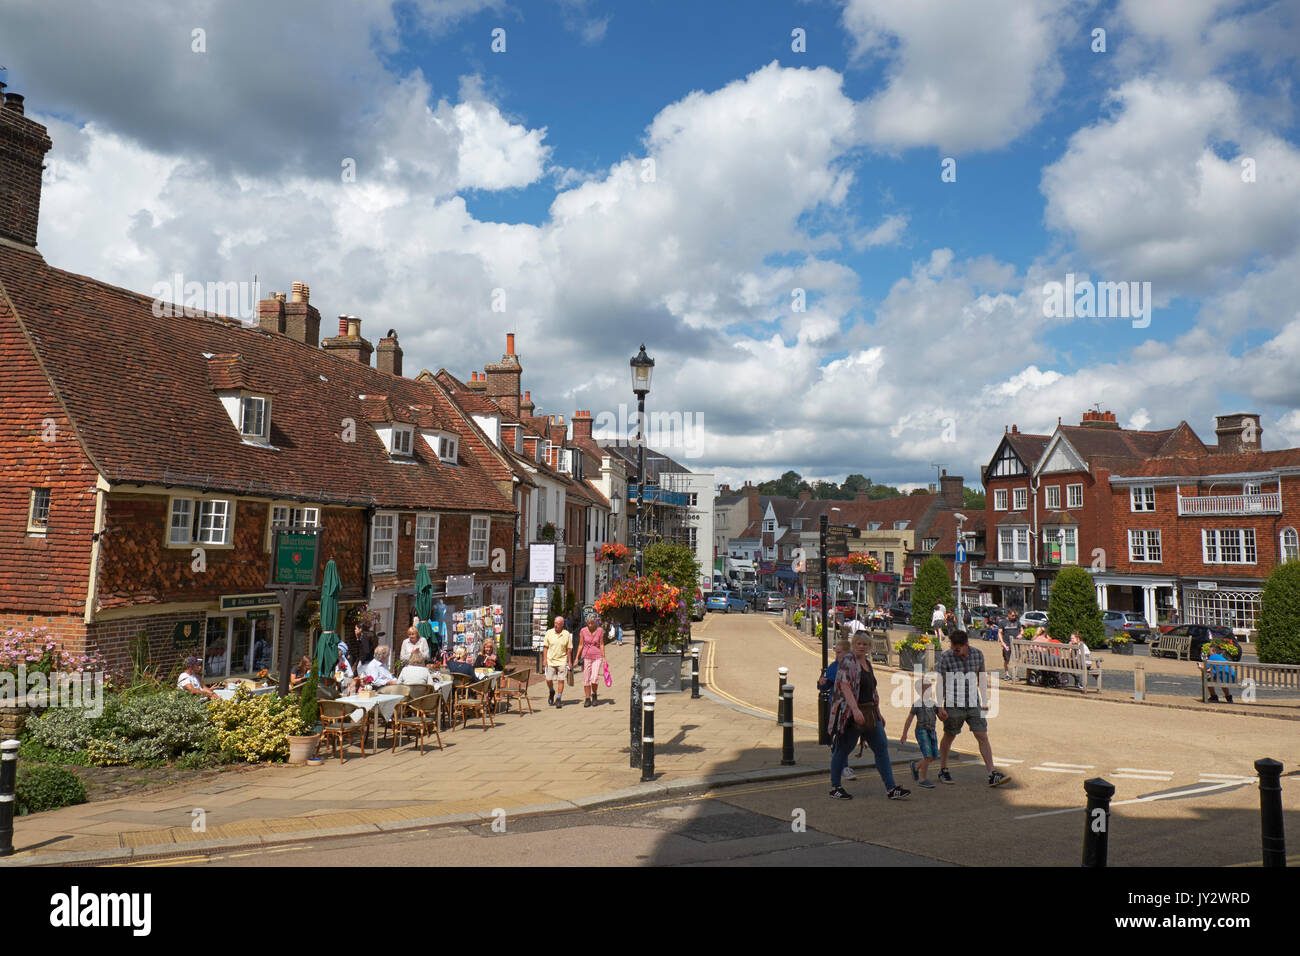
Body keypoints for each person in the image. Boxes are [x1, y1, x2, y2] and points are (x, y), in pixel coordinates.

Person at [827, 634, 910, 800]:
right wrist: (855, 710)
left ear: (869, 647)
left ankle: (891, 788)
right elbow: (845, 687)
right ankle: (835, 787)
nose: (861, 646)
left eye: (865, 644)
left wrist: (878, 713)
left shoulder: (868, 664)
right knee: (843, 750)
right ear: (853, 644)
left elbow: (872, 691)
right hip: (850, 715)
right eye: (858, 643)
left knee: (881, 747)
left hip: (869, 713)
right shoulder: (847, 661)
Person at [934, 630, 1009, 787]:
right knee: (949, 735)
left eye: (957, 649)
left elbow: (981, 677)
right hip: (954, 703)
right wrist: (940, 705)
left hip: (973, 702)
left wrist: (984, 699)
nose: (954, 651)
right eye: (953, 647)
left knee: (982, 735)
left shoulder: (978, 654)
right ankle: (943, 769)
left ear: (966, 644)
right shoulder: (946, 657)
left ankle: (992, 773)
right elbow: (940, 682)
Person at [818, 639, 855, 779]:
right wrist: (821, 682)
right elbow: (824, 686)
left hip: (853, 707)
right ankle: (843, 767)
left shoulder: (853, 665)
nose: (836, 655)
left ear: (847, 652)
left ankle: (837, 759)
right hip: (838, 708)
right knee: (841, 737)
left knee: (847, 738)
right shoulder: (834, 666)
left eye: (839, 652)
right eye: (836, 652)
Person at [900, 674, 938, 789]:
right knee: (927, 756)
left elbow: (940, 716)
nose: (930, 691)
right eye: (927, 689)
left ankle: (915, 767)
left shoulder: (933, 704)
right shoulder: (917, 704)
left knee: (933, 756)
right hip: (921, 731)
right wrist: (904, 734)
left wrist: (944, 714)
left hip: (932, 731)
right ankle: (923, 779)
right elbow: (909, 719)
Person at [542, 616, 574, 708]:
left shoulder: (566, 634)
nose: (556, 625)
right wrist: (544, 659)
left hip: (562, 660)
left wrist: (570, 661)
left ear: (562, 624)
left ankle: (559, 698)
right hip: (551, 660)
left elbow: (569, 649)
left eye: (558, 623)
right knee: (548, 679)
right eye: (555, 623)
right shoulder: (549, 633)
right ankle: (551, 691)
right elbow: (545, 647)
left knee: (561, 680)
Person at [577, 612, 607, 708]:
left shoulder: (599, 631)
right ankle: (587, 698)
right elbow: (581, 644)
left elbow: (601, 644)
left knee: (594, 678)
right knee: (586, 678)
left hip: (597, 656)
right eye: (588, 623)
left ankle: (594, 694)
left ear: (595, 622)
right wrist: (576, 657)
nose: (590, 625)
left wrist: (604, 657)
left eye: (592, 623)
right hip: (586, 656)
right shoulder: (583, 631)